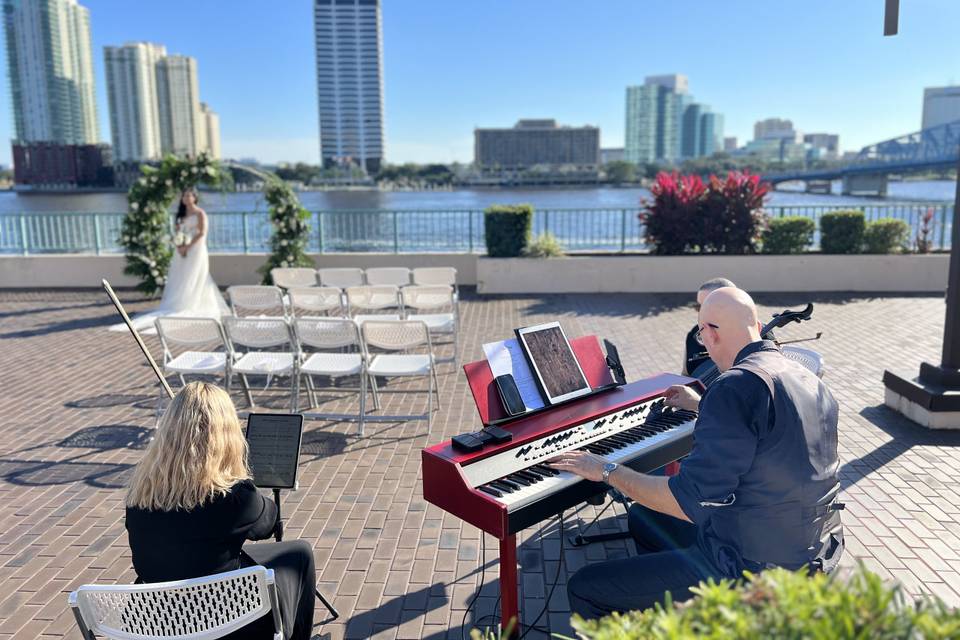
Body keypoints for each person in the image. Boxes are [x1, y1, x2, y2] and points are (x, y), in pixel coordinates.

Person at [551, 287, 843, 620]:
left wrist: (606, 470)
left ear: (710, 334)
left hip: (748, 565)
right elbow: (767, 431)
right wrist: (702, 404)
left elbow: (684, 501)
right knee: (644, 518)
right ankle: (672, 616)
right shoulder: (807, 378)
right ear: (758, 326)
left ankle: (693, 611)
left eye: (702, 335)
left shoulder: (733, 386)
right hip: (807, 547)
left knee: (585, 586)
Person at [125, 382, 316, 639]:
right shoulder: (237, 496)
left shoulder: (140, 492)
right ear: (226, 434)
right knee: (299, 552)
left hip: (157, 618)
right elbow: (268, 526)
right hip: (224, 620)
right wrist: (239, 475)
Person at [110, 188, 229, 335]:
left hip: (196, 250)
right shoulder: (181, 214)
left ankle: (192, 303)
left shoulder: (200, 213)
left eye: (188, 195)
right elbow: (178, 232)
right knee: (181, 277)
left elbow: (202, 233)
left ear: (195, 198)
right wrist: (179, 245)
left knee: (195, 276)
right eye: (184, 195)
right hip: (180, 251)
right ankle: (179, 302)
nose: (185, 198)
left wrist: (188, 246)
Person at [682, 277, 736, 376]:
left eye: (708, 306)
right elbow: (686, 374)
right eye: (699, 307)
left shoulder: (758, 335)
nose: (702, 313)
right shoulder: (695, 333)